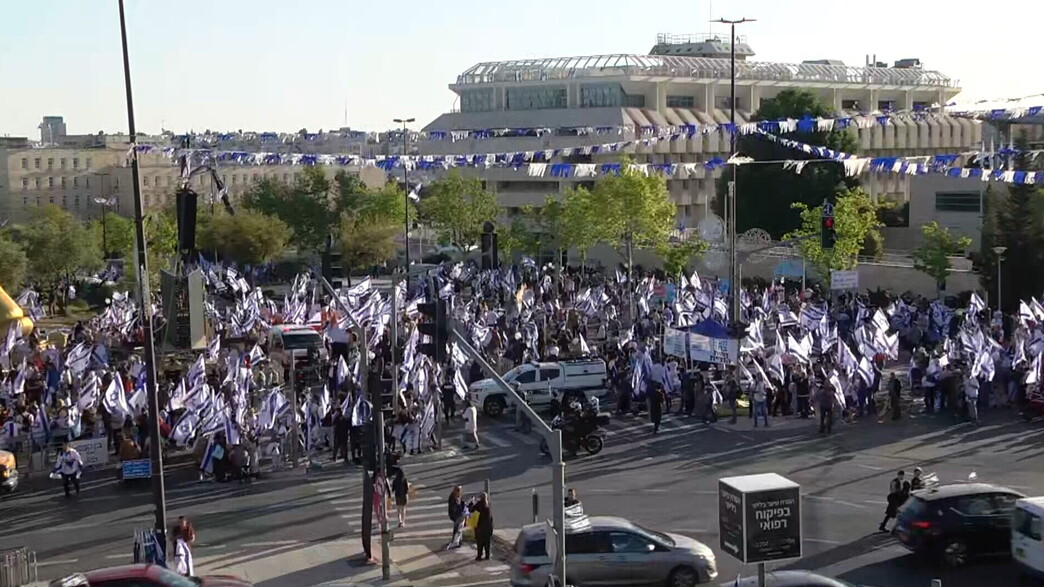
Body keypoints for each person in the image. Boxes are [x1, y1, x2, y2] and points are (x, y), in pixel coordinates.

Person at [473, 492, 494, 561]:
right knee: (487, 542)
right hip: (488, 528)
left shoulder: (479, 505)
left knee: (480, 543)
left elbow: (471, 509)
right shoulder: (488, 505)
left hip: (480, 528)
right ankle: (487, 555)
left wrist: (474, 501)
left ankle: (479, 556)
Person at [391, 461, 410, 528]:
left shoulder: (395, 480)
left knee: (398, 509)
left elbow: (393, 489)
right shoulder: (404, 480)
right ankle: (403, 521)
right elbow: (407, 489)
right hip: (404, 496)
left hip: (397, 495)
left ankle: (399, 521)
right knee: (403, 509)